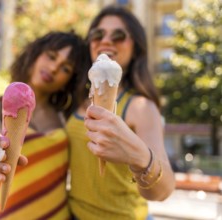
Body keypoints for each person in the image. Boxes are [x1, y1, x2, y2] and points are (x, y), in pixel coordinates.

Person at [66, 5, 175, 219]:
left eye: (119, 35)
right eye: (98, 34)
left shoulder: (140, 106)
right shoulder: (75, 98)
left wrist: (140, 157)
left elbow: (164, 190)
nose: (106, 40)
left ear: (135, 47)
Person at [0, 31, 88, 219]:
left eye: (65, 68)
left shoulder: (66, 117)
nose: (53, 68)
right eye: (51, 56)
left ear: (70, 80)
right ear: (34, 54)